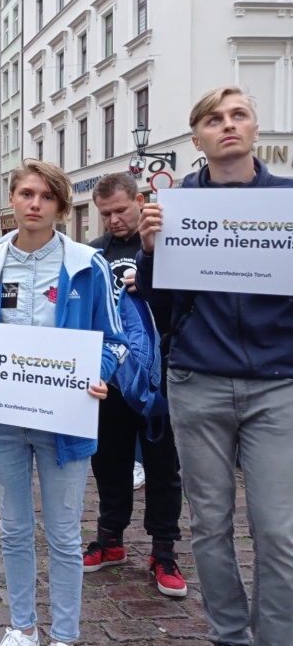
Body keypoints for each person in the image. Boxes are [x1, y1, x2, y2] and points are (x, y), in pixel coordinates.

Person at [136, 86, 293, 646]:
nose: (227, 125)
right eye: (213, 119)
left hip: (277, 385)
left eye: (239, 115)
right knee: (211, 525)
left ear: (255, 128)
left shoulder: (288, 202)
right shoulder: (174, 207)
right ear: (197, 136)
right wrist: (152, 254)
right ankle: (229, 635)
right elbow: (156, 308)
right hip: (198, 382)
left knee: (278, 531)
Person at [0, 159, 127, 646]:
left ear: (61, 207)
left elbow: (115, 340)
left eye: (46, 197)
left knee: (65, 535)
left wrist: (101, 373)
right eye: (26, 193)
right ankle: (22, 626)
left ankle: (65, 635)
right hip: (1, 421)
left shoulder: (89, 266)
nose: (34, 203)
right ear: (12, 200)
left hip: (65, 420)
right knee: (13, 530)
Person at [84, 172, 186, 597]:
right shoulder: (91, 254)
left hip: (160, 374)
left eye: (120, 211)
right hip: (109, 375)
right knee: (109, 458)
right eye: (105, 214)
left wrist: (146, 284)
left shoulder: (170, 244)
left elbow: (185, 301)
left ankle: (164, 550)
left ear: (140, 201)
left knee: (163, 465)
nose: (113, 221)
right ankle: (111, 538)